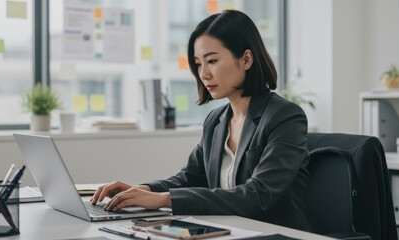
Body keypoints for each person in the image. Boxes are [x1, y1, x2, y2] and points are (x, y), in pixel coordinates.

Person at [91, 9, 311, 231]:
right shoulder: (216, 121)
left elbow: (258, 196)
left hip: (275, 234)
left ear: (246, 59)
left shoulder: (285, 116)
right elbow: (188, 179)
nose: (203, 73)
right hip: (228, 231)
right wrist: (143, 189)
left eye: (212, 61)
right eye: (198, 63)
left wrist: (164, 200)